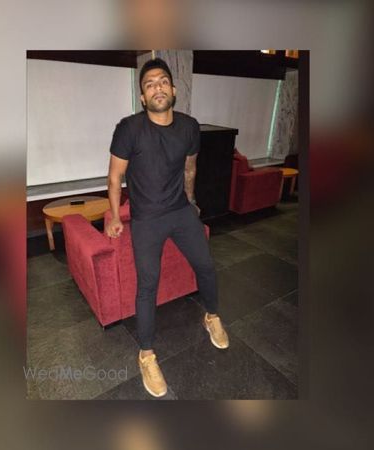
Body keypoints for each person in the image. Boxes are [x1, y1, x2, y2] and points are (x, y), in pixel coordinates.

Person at [106, 57, 229, 398]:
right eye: (149, 84)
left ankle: (212, 316)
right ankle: (146, 354)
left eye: (162, 81)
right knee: (148, 283)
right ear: (142, 97)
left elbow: (190, 168)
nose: (157, 87)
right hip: (146, 218)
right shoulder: (128, 129)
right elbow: (115, 177)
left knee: (206, 265)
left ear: (173, 90)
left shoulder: (189, 127)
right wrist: (115, 216)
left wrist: (191, 201)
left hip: (179, 210)